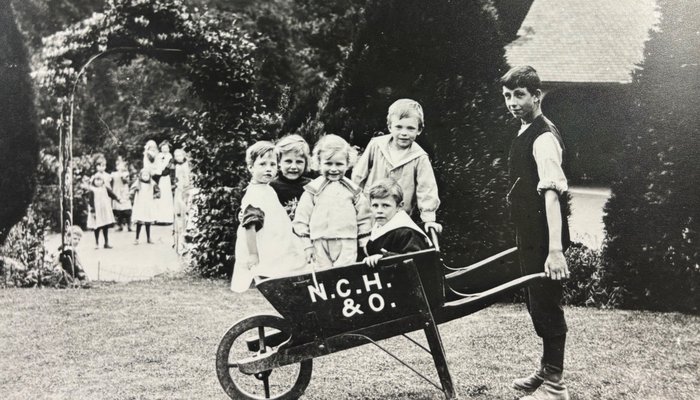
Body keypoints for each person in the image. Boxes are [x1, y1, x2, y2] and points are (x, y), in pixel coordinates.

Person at [501, 65, 571, 400]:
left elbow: (552, 195)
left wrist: (555, 249)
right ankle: (546, 370)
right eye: (507, 96)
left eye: (519, 95)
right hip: (530, 236)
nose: (512, 102)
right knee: (536, 305)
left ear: (536, 95)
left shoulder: (543, 137)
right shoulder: (524, 130)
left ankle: (556, 386)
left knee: (547, 306)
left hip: (546, 239)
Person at [352, 98, 442, 234]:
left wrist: (429, 219)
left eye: (410, 128)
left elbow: (427, 189)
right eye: (398, 127)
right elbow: (359, 174)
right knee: (366, 239)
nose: (404, 133)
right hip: (370, 209)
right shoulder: (377, 145)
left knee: (392, 241)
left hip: (399, 215)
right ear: (389, 127)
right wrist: (353, 200)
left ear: (419, 130)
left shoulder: (419, 157)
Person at [231, 141, 307, 292]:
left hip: (277, 239)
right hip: (264, 243)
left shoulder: (267, 189)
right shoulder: (254, 194)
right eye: (262, 164)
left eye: (272, 164)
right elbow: (250, 226)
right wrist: (253, 254)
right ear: (251, 167)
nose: (268, 169)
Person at [293, 134, 372, 268]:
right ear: (319, 163)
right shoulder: (313, 190)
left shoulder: (353, 191)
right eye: (328, 164)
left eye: (339, 164)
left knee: (344, 274)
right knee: (322, 275)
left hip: (347, 242)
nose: (334, 169)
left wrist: (365, 244)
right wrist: (307, 245)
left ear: (347, 164)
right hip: (319, 242)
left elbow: (364, 218)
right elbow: (301, 219)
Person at [362, 179, 432, 267]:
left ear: (399, 206)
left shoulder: (406, 232)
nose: (379, 211)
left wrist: (385, 257)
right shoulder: (378, 228)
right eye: (375, 205)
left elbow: (415, 260)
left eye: (385, 205)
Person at [269, 134, 312, 220]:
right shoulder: (271, 186)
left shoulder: (311, 186)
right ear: (279, 162)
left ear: (306, 163)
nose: (293, 167)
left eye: (299, 162)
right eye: (288, 161)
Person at [86, 173, 120, 249]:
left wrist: (118, 199)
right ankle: (97, 243)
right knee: (97, 227)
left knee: (105, 226)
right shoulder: (92, 190)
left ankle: (106, 242)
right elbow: (90, 202)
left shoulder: (105, 188)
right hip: (96, 211)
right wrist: (92, 211)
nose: (98, 182)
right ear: (93, 181)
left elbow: (112, 194)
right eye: (96, 180)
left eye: (100, 180)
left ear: (103, 181)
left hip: (104, 210)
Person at [131, 169, 160, 244]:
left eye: (147, 175)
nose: (145, 177)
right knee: (139, 221)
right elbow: (132, 190)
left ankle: (148, 238)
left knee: (148, 221)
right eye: (143, 175)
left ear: (149, 176)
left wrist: (155, 195)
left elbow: (158, 191)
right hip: (140, 204)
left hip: (148, 204)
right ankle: (137, 238)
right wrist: (132, 192)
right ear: (140, 176)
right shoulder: (138, 183)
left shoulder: (152, 183)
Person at [173, 148, 193, 253]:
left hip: (186, 189)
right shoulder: (176, 166)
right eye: (176, 156)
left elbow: (187, 178)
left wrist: (186, 186)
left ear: (184, 156)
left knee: (186, 211)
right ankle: (179, 241)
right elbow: (176, 178)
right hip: (179, 189)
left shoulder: (186, 166)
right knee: (178, 214)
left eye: (180, 155)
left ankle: (185, 240)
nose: (178, 158)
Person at [153, 140, 175, 225]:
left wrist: (162, 172)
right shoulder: (158, 156)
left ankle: (167, 219)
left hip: (165, 178)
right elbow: (156, 166)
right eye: (163, 147)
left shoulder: (170, 157)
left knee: (166, 196)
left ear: (169, 149)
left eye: (166, 148)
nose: (164, 149)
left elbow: (168, 169)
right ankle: (158, 218)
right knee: (159, 196)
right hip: (158, 178)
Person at [111, 156, 132, 232]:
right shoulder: (113, 174)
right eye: (118, 165)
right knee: (118, 211)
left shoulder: (126, 173)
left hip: (124, 192)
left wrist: (123, 176)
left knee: (127, 210)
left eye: (122, 165)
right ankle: (119, 225)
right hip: (117, 192)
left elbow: (126, 182)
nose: (120, 167)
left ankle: (129, 225)